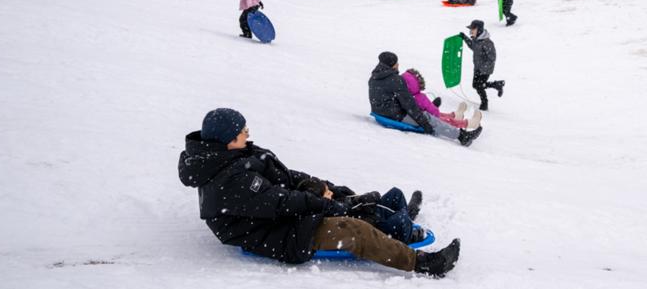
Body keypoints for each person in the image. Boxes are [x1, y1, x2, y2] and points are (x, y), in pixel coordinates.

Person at [178, 108, 461, 275]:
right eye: (242, 131)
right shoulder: (229, 179)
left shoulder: (234, 155)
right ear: (228, 139)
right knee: (352, 229)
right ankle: (422, 263)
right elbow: (279, 203)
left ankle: (391, 217)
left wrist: (324, 189)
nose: (248, 133)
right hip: (276, 233)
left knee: (343, 198)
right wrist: (324, 204)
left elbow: (284, 177)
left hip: (280, 217)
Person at [369, 54, 483, 146]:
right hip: (395, 115)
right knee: (428, 118)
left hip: (380, 112)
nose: (398, 64)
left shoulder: (374, 78)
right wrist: (425, 123)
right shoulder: (396, 80)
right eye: (396, 63)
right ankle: (462, 136)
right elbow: (409, 104)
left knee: (423, 114)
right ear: (392, 65)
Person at [401, 69, 481, 131]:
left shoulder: (406, 96)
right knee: (450, 122)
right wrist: (434, 108)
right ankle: (469, 124)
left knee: (440, 116)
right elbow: (434, 111)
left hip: (421, 117)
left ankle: (455, 115)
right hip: (429, 120)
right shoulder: (419, 97)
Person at [461, 20, 503, 111]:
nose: (471, 31)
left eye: (473, 29)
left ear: (479, 30)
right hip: (477, 68)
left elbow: (492, 58)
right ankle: (497, 84)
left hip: (485, 69)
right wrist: (465, 38)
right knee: (475, 85)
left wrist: (483, 68)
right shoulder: (476, 40)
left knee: (478, 85)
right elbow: (473, 47)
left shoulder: (487, 42)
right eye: (470, 29)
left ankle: (485, 103)